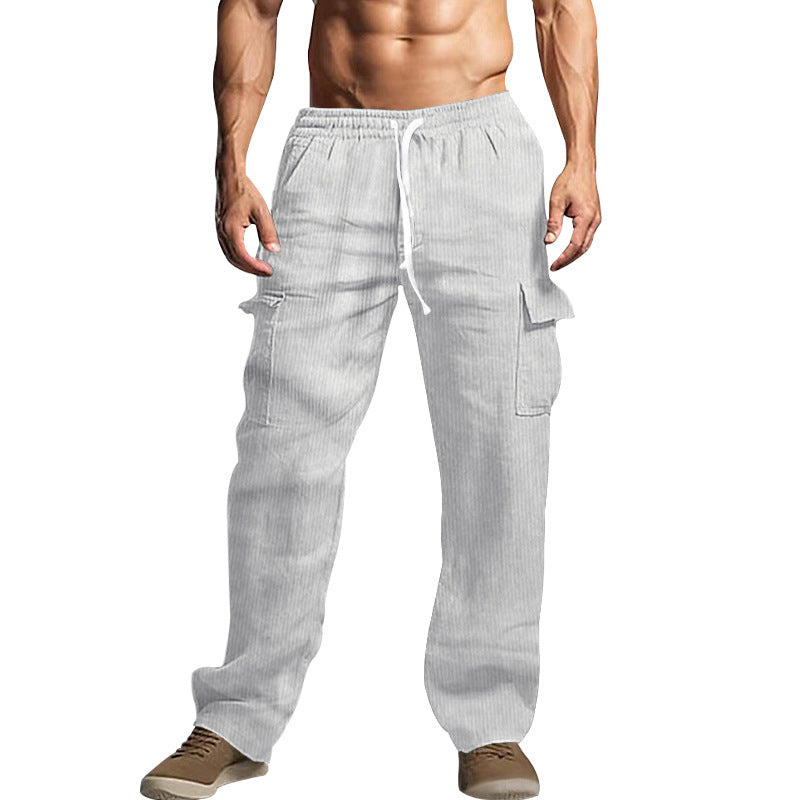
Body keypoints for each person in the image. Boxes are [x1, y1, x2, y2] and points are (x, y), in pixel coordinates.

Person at [141, 0, 599, 797]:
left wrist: (582, 156)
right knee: (283, 444)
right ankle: (239, 716)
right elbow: (251, 7)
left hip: (481, 146)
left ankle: (490, 723)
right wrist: (232, 165)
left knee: (501, 442)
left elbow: (560, 7)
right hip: (335, 150)